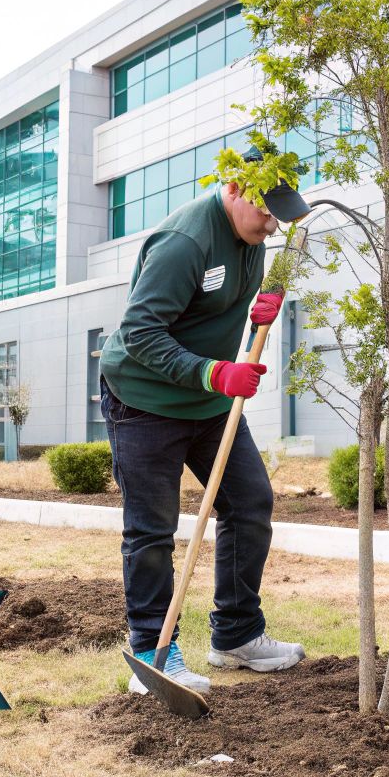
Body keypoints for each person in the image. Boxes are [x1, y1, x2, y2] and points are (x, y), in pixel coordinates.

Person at [98, 144, 313, 696]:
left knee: (249, 503)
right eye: (266, 211)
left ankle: (236, 636)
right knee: (151, 528)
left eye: (279, 215)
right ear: (236, 190)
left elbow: (222, 300)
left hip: (209, 404)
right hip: (144, 400)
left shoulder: (253, 239)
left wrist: (261, 301)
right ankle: (153, 653)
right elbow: (141, 333)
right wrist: (215, 374)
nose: (271, 225)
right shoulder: (184, 242)